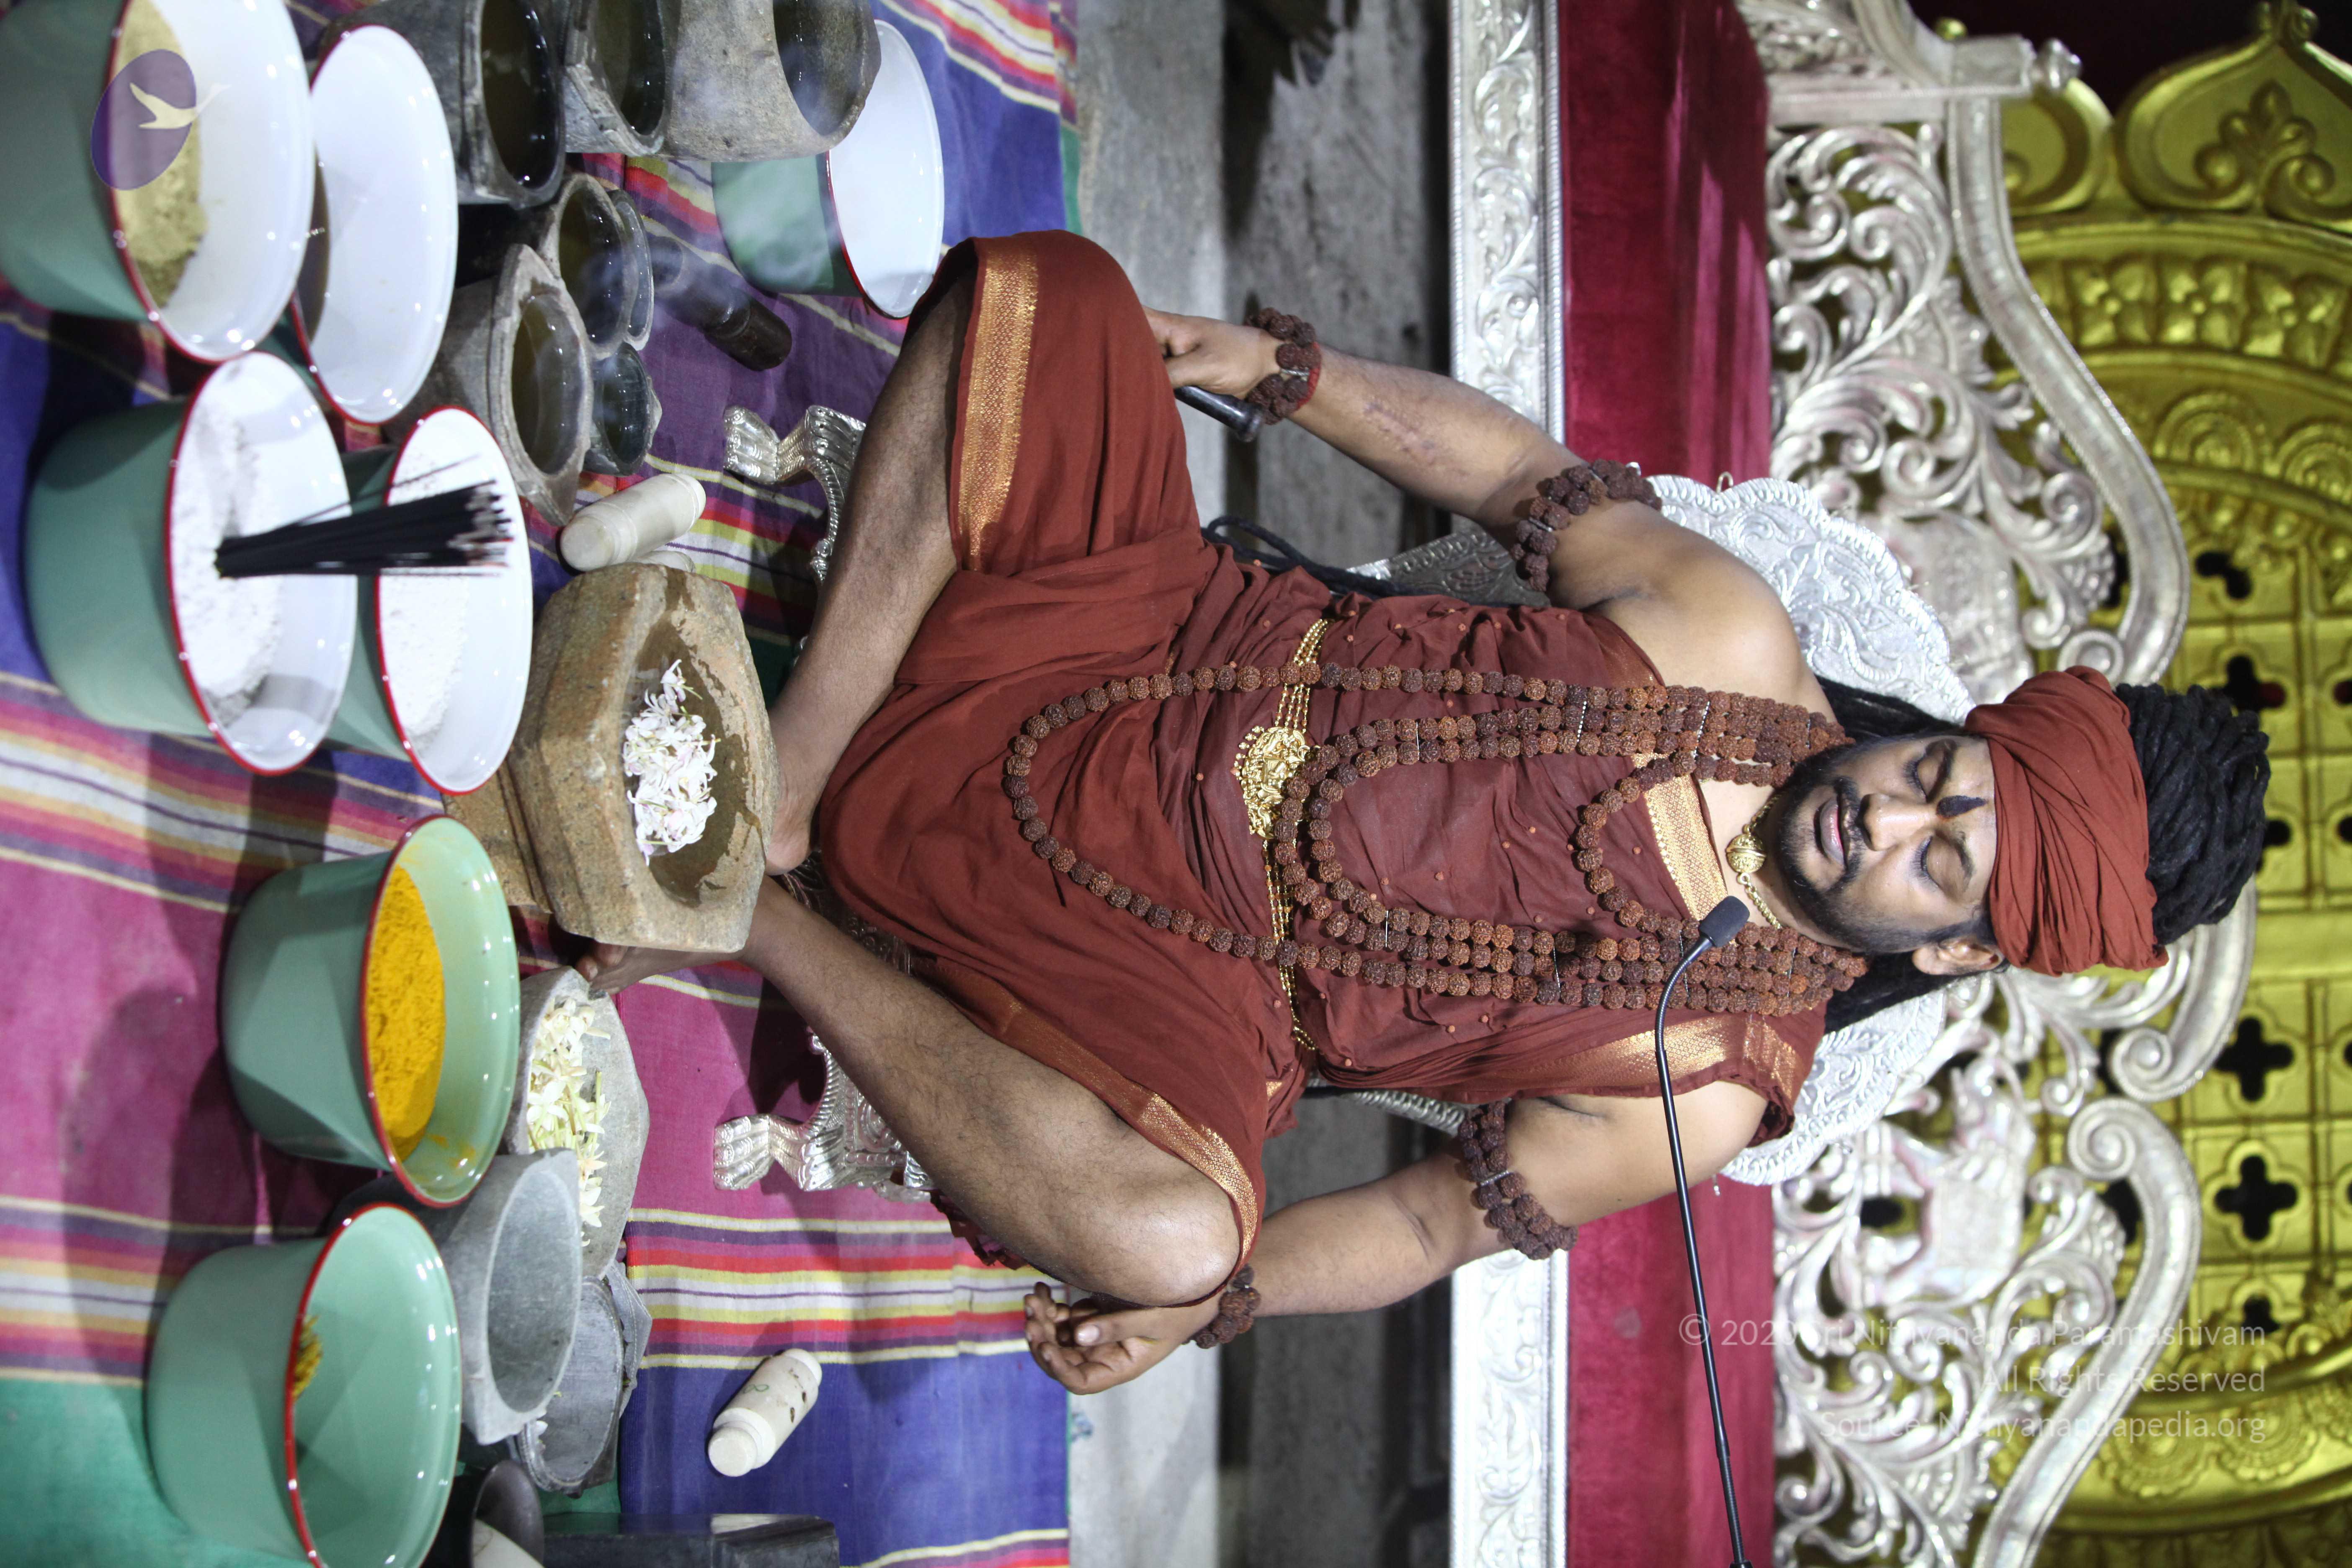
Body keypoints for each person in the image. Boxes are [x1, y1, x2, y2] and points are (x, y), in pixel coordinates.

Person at [577, 231, 2269, 1396]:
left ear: (1963, 949)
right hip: (1154, 626)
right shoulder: (1733, 641)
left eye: (1939, 857)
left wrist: (1215, 1306)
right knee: (1052, 295)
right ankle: (790, 784)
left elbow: (1424, 1218)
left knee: (1166, 1235)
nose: (1889, 816)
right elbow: (1519, 479)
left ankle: (758, 917)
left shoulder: (1711, 1085)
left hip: (1177, 983)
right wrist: (1276, 369)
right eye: (1938, 777)